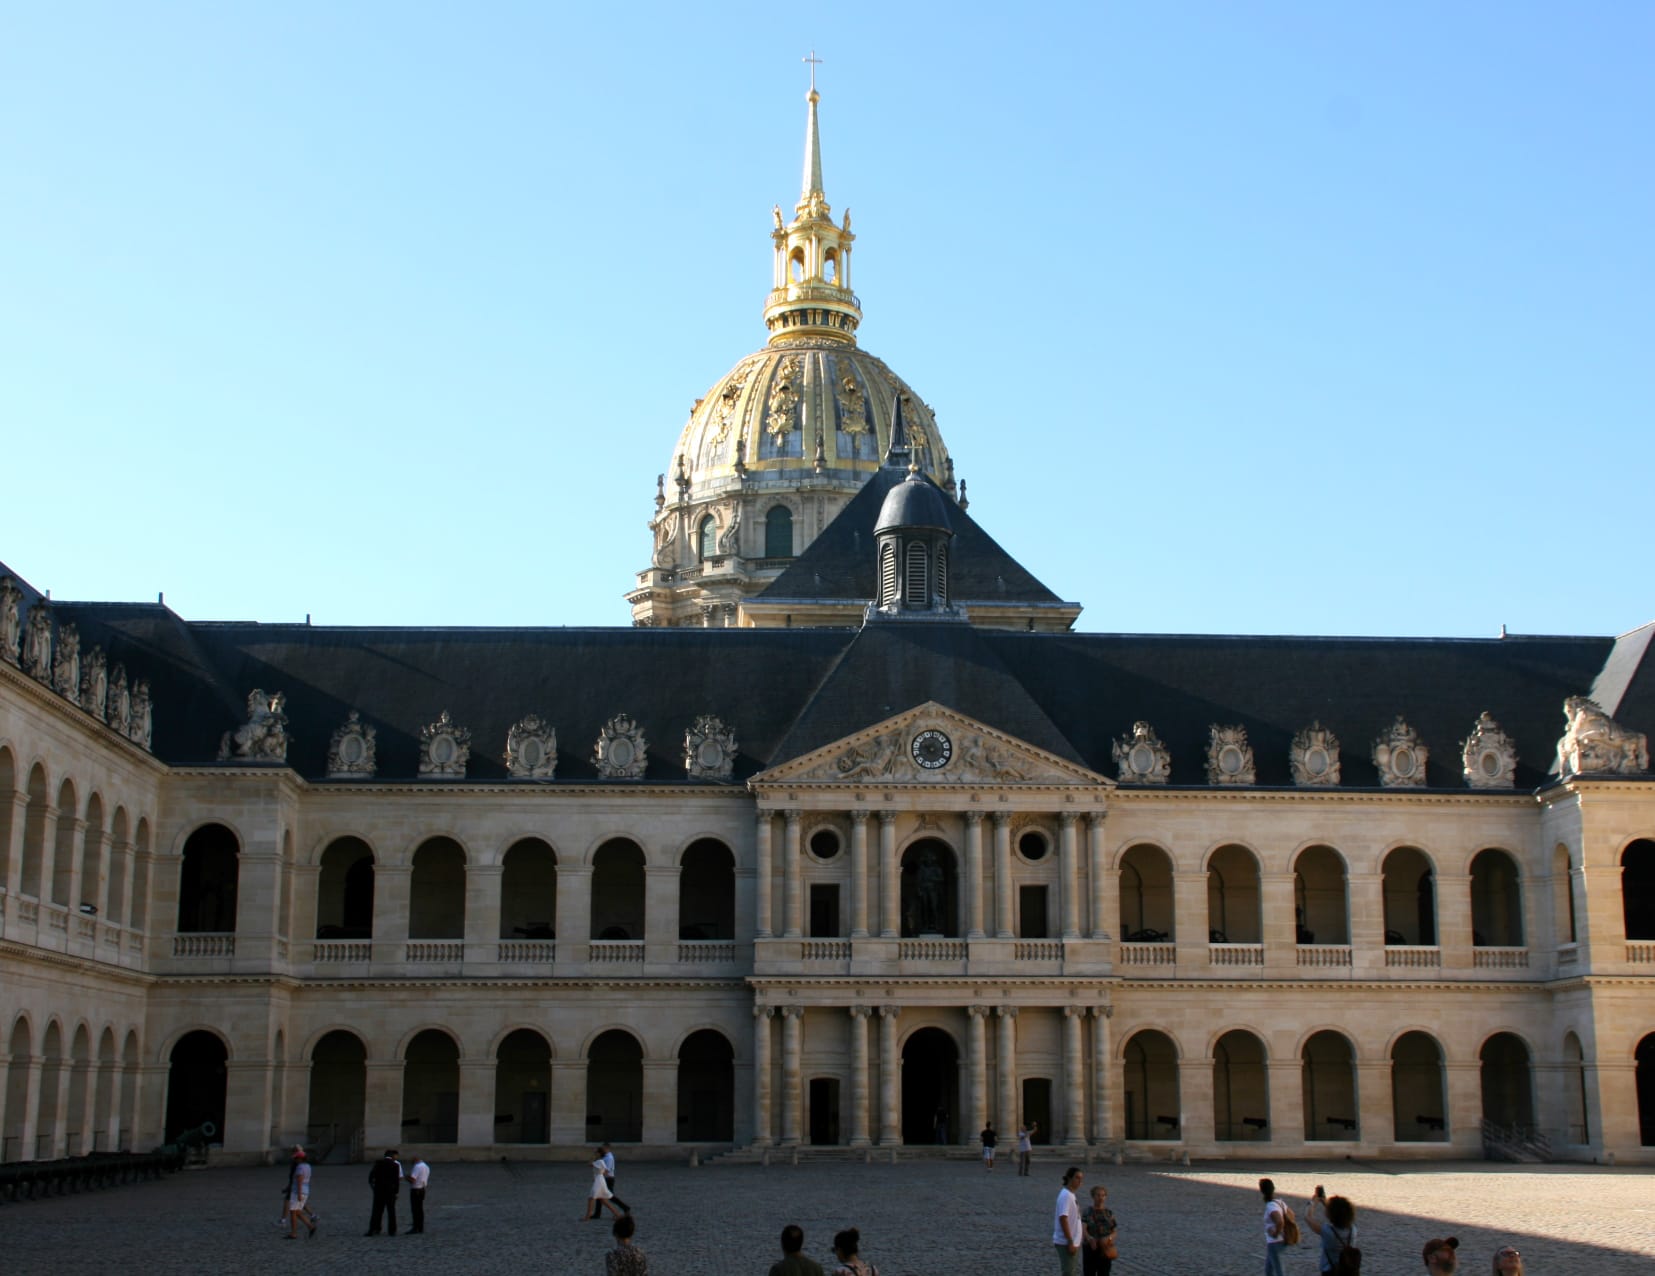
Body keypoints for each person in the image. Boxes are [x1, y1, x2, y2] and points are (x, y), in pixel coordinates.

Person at [1081, 1182, 1117, 1276]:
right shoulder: (1087, 1211)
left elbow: (1114, 1231)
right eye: (1098, 1195)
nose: (1101, 1198)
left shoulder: (1109, 1213)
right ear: (1093, 1196)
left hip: (1105, 1249)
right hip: (1091, 1248)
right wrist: (1089, 1238)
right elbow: (1083, 1228)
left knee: (1104, 1273)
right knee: (1089, 1273)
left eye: (1103, 1195)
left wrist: (1108, 1239)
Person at [1053, 1166, 1084, 1276]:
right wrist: (1070, 1241)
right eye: (1077, 1178)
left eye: (1081, 1179)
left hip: (1073, 1242)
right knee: (1069, 1273)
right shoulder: (1066, 1196)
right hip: (1066, 1242)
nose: (1080, 1181)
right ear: (1069, 1178)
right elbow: (1063, 1218)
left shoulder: (1071, 1195)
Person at [364, 1149, 402, 1235]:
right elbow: (396, 1181)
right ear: (392, 1156)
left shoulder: (378, 1163)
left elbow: (371, 1178)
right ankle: (392, 1230)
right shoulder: (395, 1165)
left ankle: (374, 1229)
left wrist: (374, 1188)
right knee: (391, 1211)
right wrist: (396, 1192)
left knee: (377, 1211)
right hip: (390, 1191)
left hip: (379, 1191)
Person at [589, 1142, 631, 1217]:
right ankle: (597, 1213)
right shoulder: (606, 1156)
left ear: (607, 1148)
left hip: (608, 1179)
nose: (601, 1149)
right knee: (600, 1195)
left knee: (610, 1196)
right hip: (606, 1178)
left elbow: (606, 1170)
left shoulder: (608, 1158)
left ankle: (625, 1207)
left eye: (603, 1148)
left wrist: (599, 1177)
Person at [1319, 1196, 1357, 1274]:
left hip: (1330, 1271)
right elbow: (1339, 1216)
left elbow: (1308, 1217)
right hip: (1348, 1271)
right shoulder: (1353, 1229)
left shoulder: (1327, 1231)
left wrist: (1312, 1202)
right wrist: (1327, 1205)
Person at [286, 1146, 317, 1240]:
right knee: (298, 1212)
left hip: (298, 1191)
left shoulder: (300, 1167)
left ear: (300, 1158)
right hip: (306, 1190)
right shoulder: (308, 1166)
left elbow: (299, 1180)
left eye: (296, 1158)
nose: (295, 1160)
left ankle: (294, 1233)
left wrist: (298, 1194)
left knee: (292, 1212)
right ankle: (310, 1227)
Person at [585, 1147, 623, 1223]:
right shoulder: (601, 1161)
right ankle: (618, 1215)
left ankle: (587, 1217)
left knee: (591, 1198)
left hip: (599, 1181)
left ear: (599, 1153)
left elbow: (589, 1164)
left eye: (596, 1153)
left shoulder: (599, 1161)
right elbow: (605, 1171)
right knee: (603, 1200)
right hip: (600, 1179)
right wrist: (599, 1174)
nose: (595, 1154)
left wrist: (592, 1157)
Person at [1261, 1178, 1288, 1276]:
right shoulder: (1280, 1202)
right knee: (1268, 1270)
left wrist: (1275, 1233)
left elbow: (1280, 1222)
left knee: (1278, 1270)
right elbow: (1292, 1215)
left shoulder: (1271, 1206)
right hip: (1280, 1241)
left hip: (1275, 1242)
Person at [404, 1154, 429, 1234]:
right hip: (422, 1189)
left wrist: (406, 1177)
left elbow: (413, 1180)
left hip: (416, 1189)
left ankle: (415, 1227)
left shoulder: (417, 1167)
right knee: (420, 1209)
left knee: (415, 1210)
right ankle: (420, 1227)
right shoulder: (426, 1166)